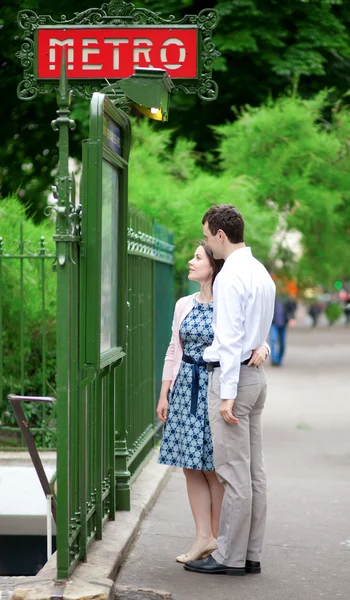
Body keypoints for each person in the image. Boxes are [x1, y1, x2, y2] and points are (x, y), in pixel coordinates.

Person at [156, 241, 270, 564]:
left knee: (216, 468)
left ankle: (221, 540)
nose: (190, 262)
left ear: (212, 265)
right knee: (190, 466)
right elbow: (172, 349)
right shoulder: (183, 305)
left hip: (216, 387)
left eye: (197, 257)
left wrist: (265, 348)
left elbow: (250, 336)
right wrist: (165, 391)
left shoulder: (227, 298)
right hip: (184, 390)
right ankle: (202, 537)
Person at [184, 204, 275, 577]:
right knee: (254, 473)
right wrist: (263, 345)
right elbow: (258, 331)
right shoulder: (261, 272)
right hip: (255, 379)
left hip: (231, 378)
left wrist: (225, 395)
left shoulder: (230, 277)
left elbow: (231, 336)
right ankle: (249, 553)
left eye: (206, 237)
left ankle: (229, 557)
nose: (207, 243)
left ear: (220, 235)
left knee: (233, 472)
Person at [270, 294, 296, 366]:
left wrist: (292, 318)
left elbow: (291, 309)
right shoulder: (272, 296)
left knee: (282, 343)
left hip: (283, 323)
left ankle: (279, 359)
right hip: (274, 323)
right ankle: (274, 360)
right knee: (273, 339)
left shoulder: (286, 298)